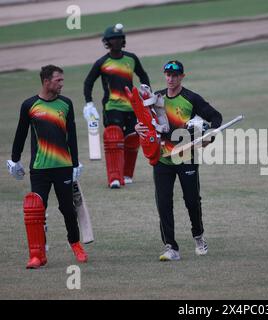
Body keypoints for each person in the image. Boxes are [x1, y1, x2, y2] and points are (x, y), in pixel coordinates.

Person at [136, 60, 222, 261]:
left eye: (175, 75)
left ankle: (198, 236)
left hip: (186, 158)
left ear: (182, 76)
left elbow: (216, 117)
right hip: (163, 159)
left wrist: (210, 134)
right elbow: (144, 122)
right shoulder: (155, 98)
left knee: (192, 201)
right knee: (163, 204)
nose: (171, 78)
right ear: (164, 75)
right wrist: (138, 128)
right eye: (168, 74)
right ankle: (171, 247)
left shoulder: (191, 98)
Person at [7, 65, 87, 269]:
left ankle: (75, 243)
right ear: (46, 81)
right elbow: (21, 133)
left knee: (68, 209)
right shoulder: (29, 105)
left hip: (63, 166)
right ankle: (37, 254)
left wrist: (75, 162)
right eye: (58, 80)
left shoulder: (66, 104)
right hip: (40, 168)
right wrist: (15, 160)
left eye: (62, 80)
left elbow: (72, 137)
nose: (62, 83)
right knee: (37, 211)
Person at [83, 23, 150, 189]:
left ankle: (127, 174)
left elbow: (143, 76)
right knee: (114, 139)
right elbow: (88, 82)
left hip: (132, 107)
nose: (117, 42)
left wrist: (146, 91)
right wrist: (89, 103)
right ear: (107, 42)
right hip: (112, 107)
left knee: (133, 139)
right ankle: (114, 177)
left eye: (119, 38)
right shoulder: (102, 62)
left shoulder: (131, 58)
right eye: (113, 39)